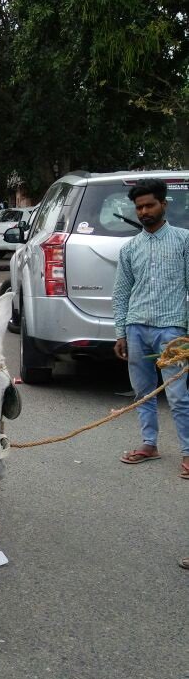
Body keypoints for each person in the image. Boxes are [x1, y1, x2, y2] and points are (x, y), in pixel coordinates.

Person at [112, 180, 189, 486]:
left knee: (178, 395)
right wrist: (121, 332)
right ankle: (149, 445)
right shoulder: (130, 248)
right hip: (136, 328)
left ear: (163, 205)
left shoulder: (183, 241)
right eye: (139, 207)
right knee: (143, 393)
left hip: (172, 329)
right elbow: (121, 294)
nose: (144, 211)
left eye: (149, 205)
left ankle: (187, 452)